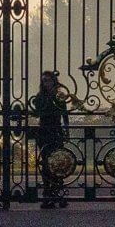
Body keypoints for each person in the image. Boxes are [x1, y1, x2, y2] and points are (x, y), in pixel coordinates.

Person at [32, 70, 70, 209]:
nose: (46, 83)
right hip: (44, 131)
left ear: (54, 81)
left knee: (58, 163)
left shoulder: (59, 95)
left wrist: (67, 130)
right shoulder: (40, 96)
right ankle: (48, 195)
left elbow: (64, 114)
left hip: (55, 130)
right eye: (44, 81)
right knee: (46, 163)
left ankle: (57, 195)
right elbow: (37, 113)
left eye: (48, 80)